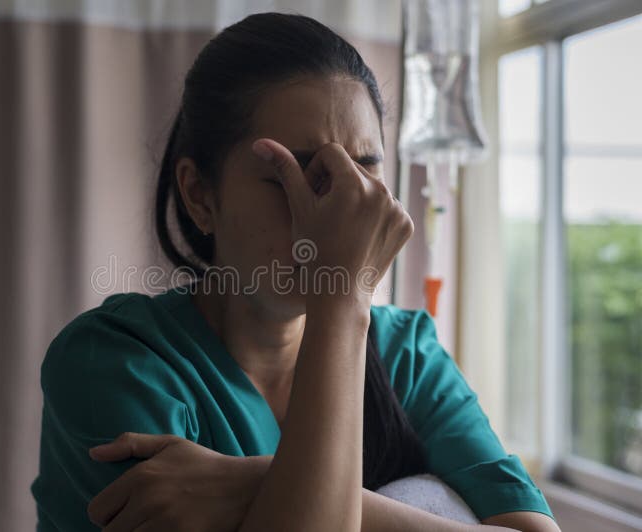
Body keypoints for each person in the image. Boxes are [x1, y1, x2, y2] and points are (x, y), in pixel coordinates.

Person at [30, 12, 560, 532]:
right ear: (199, 195)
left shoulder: (405, 354)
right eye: (294, 176)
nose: (335, 211)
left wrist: (255, 483)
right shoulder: (114, 364)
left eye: (363, 172)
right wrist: (343, 298)